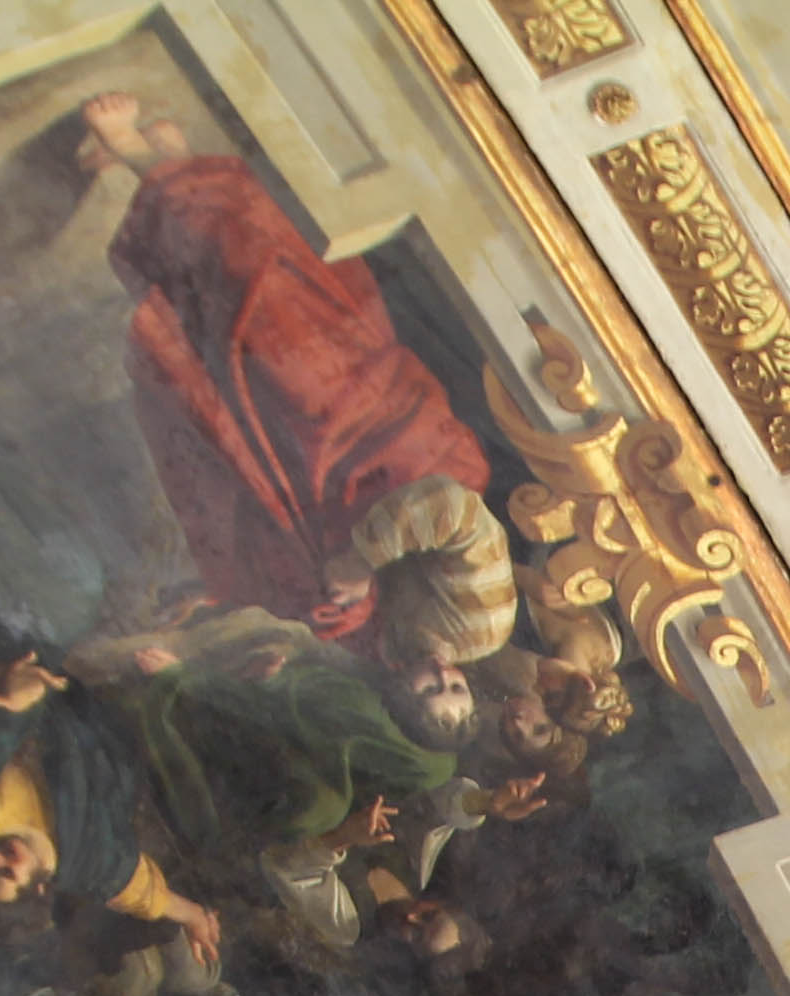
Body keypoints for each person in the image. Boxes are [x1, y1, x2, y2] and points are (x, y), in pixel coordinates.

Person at [81, 93, 513, 698]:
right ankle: (147, 159)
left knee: (224, 339)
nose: (442, 677)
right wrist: (360, 564)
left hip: (314, 476)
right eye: (456, 690)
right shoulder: (481, 628)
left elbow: (315, 603)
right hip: (380, 437)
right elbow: (453, 510)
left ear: (400, 695)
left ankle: (172, 167)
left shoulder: (378, 649)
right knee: (275, 305)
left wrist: (319, 600)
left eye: (428, 694)